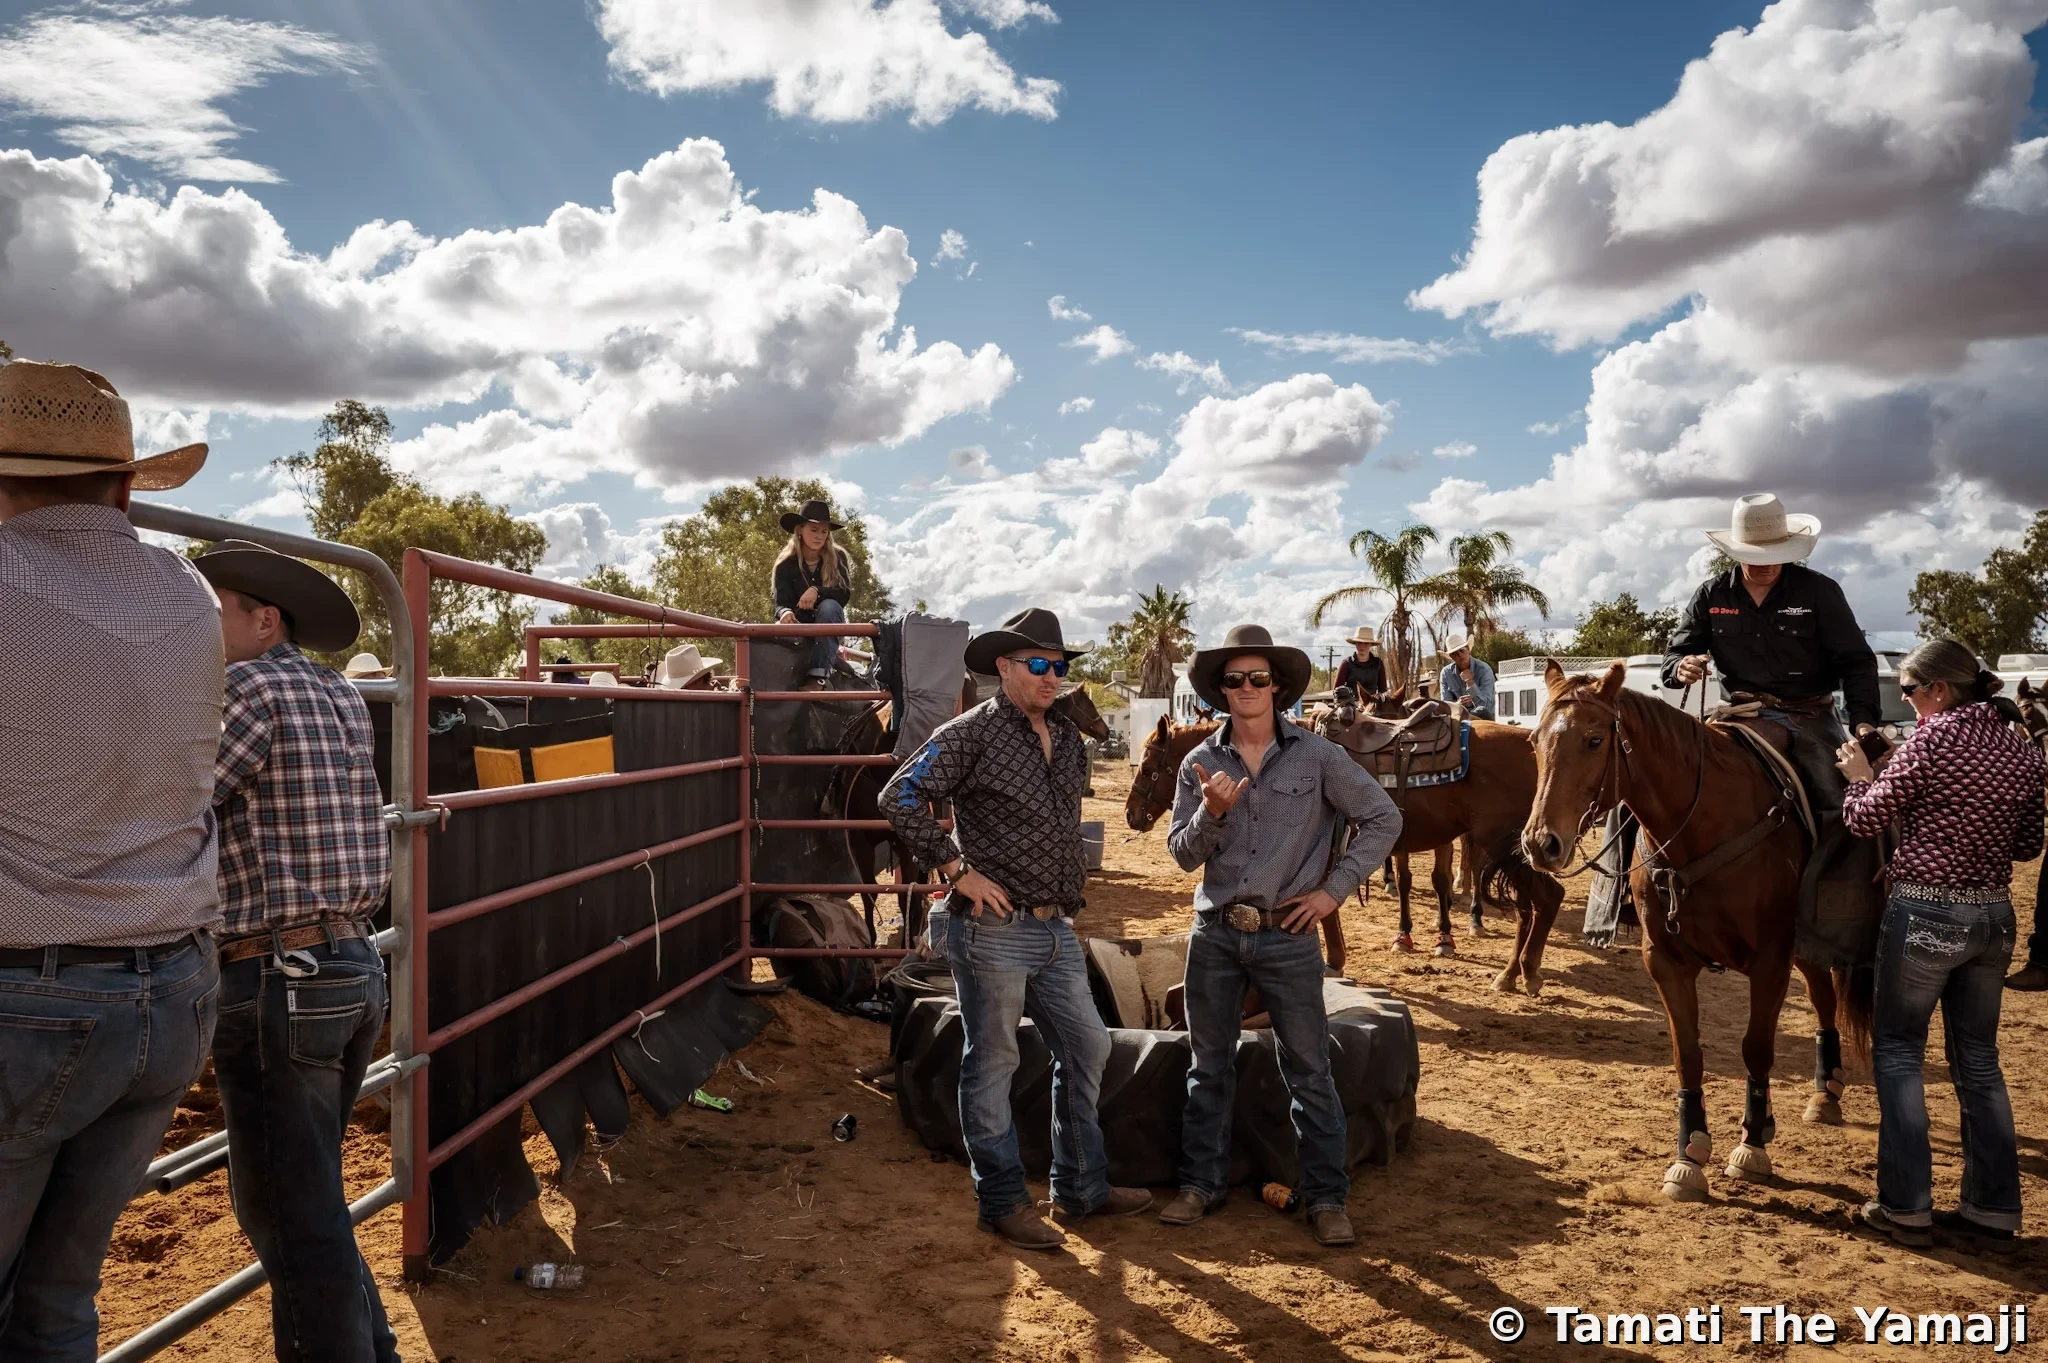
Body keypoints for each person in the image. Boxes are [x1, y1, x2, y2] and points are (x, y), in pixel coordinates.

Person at [0, 360, 224, 1361]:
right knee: (58, 1302)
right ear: (130, 486)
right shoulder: (186, 591)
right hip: (170, 983)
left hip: (30, 991)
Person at [881, 608, 1150, 1250]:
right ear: (1003, 668)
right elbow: (899, 795)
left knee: (1087, 1047)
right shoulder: (971, 733)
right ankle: (1001, 1200)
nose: (1052, 676)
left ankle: (1081, 1186)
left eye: (1058, 665)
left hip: (1054, 926)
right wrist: (956, 870)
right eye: (1038, 664)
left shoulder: (1066, 737)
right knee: (993, 1063)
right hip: (993, 928)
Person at [193, 541, 400, 1362]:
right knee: (307, 1198)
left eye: (217, 612)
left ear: (263, 618)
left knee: (288, 1209)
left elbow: (175, 796)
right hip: (347, 963)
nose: (203, 629)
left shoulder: (246, 689)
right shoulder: (339, 690)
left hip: (279, 971)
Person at [1160, 624, 1402, 1247]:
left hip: (1287, 935)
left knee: (1309, 1069)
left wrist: (1332, 892)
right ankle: (1199, 1185)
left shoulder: (1320, 757)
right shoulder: (1198, 762)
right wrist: (1212, 814)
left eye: (1258, 678)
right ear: (1220, 690)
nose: (1247, 688)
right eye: (1235, 679)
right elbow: (1182, 856)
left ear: (1278, 687)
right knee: (1207, 1066)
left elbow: (1383, 816)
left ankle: (1325, 1198)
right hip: (1215, 931)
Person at [1837, 640, 2043, 1253]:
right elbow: (2029, 844)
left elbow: (1866, 820)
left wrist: (1858, 780)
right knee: (1979, 1064)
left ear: (1940, 690)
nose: (1902, 699)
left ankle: (1906, 1206)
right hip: (1993, 915)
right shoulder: (2021, 746)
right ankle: (1994, 1207)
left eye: (1908, 689)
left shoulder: (1932, 739)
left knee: (1899, 1054)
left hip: (1925, 913)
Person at [773, 499, 855, 690]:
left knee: (830, 606)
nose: (819, 536)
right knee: (771, 633)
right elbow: (780, 603)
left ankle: (818, 676)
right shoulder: (785, 565)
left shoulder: (838, 557)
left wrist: (817, 591)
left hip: (826, 625)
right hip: (798, 627)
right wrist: (785, 613)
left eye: (824, 531)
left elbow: (843, 595)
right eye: (813, 529)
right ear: (800, 529)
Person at [1438, 635, 1494, 719]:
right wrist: (1457, 704)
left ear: (1468, 649)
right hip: (1459, 716)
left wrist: (1470, 682)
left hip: (1484, 718)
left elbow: (1486, 705)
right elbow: (1446, 705)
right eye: (1454, 653)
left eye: (1462, 650)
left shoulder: (1484, 669)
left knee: (1481, 710)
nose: (1459, 655)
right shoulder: (1446, 673)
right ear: (1451, 657)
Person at [1332, 626, 1386, 699]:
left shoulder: (1378, 663)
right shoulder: (1346, 663)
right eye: (1359, 643)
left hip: (1373, 704)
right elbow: (1336, 690)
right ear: (1355, 643)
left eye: (1366, 643)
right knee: (1347, 711)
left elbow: (1383, 690)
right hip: (1350, 704)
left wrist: (1377, 698)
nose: (1362, 646)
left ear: (1371, 644)